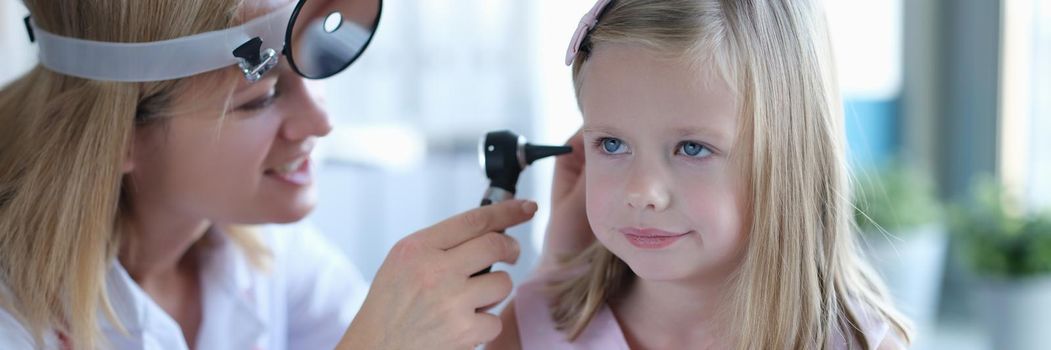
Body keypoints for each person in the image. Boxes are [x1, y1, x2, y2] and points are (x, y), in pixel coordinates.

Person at [0, 0, 590, 348]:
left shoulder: (266, 256)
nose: (319, 122)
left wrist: (561, 278)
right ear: (121, 137)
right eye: (259, 98)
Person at [489, 0, 913, 349]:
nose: (642, 193)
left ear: (787, 162)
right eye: (613, 144)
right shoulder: (534, 330)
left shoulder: (861, 344)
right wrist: (553, 275)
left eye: (692, 148)